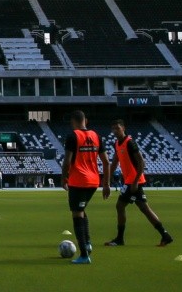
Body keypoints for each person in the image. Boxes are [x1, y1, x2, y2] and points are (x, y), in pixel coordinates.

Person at [105, 119, 173, 247]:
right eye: (113, 129)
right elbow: (115, 162)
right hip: (131, 181)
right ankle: (165, 235)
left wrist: (135, 181)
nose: (115, 131)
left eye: (117, 128)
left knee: (120, 206)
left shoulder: (130, 143)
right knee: (144, 209)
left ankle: (120, 239)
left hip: (134, 181)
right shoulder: (117, 144)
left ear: (123, 128)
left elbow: (141, 163)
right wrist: (107, 178)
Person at [61, 110, 110, 264]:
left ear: (72, 122)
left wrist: (64, 178)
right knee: (81, 211)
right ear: (85, 121)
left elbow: (67, 161)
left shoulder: (73, 136)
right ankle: (87, 244)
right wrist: (107, 184)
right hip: (93, 182)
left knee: (77, 214)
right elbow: (107, 162)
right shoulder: (96, 136)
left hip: (78, 181)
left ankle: (83, 254)